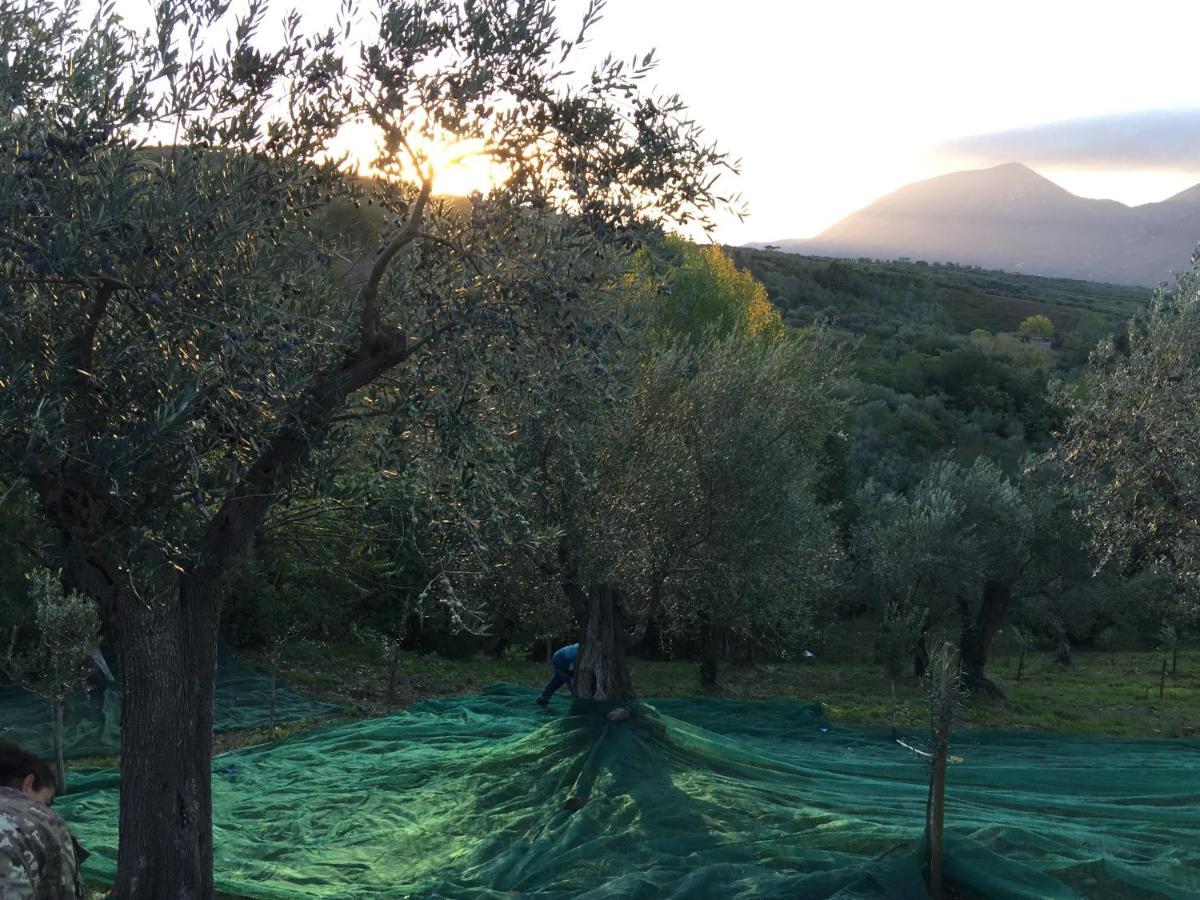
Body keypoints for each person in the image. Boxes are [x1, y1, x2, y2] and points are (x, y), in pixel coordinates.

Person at [0, 741, 87, 899]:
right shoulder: (45, 821)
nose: (47, 809)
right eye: (47, 802)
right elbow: (64, 892)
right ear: (28, 783)